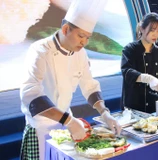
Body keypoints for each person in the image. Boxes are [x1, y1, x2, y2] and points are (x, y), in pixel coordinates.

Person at [19, 0, 121, 159]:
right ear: (66, 29)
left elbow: (90, 86)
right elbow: (31, 95)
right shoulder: (39, 50)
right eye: (81, 36)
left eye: (88, 37)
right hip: (40, 128)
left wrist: (105, 113)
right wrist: (69, 121)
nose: (84, 42)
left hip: (66, 127)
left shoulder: (81, 54)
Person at [121, 12, 158, 113]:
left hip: (154, 107)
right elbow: (126, 71)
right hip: (134, 106)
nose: (155, 34)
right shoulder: (130, 49)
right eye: (152, 30)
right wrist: (148, 78)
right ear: (142, 29)